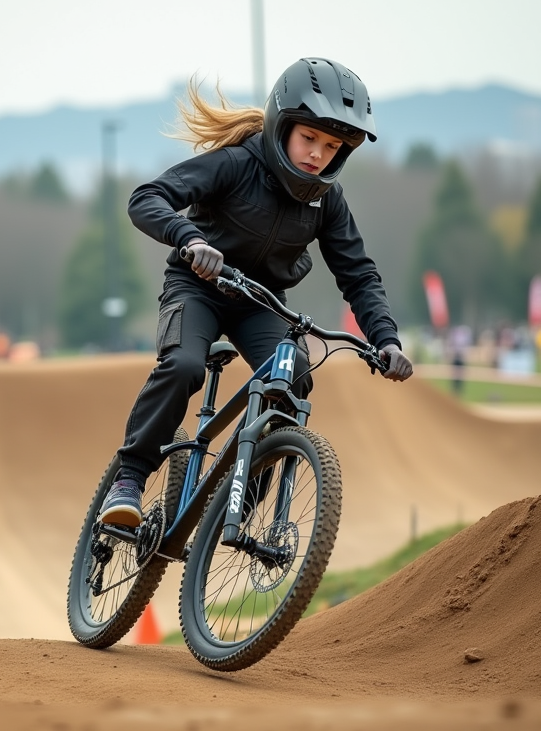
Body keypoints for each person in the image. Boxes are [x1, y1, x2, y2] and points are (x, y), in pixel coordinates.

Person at [98, 57, 414, 528]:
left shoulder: (326, 200)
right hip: (197, 287)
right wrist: (191, 240)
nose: (318, 155)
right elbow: (146, 198)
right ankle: (129, 480)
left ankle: (235, 505)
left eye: (332, 146)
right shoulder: (236, 163)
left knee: (294, 377)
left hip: (260, 303)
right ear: (282, 126)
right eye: (309, 138)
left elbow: (359, 275)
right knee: (184, 366)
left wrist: (386, 339)